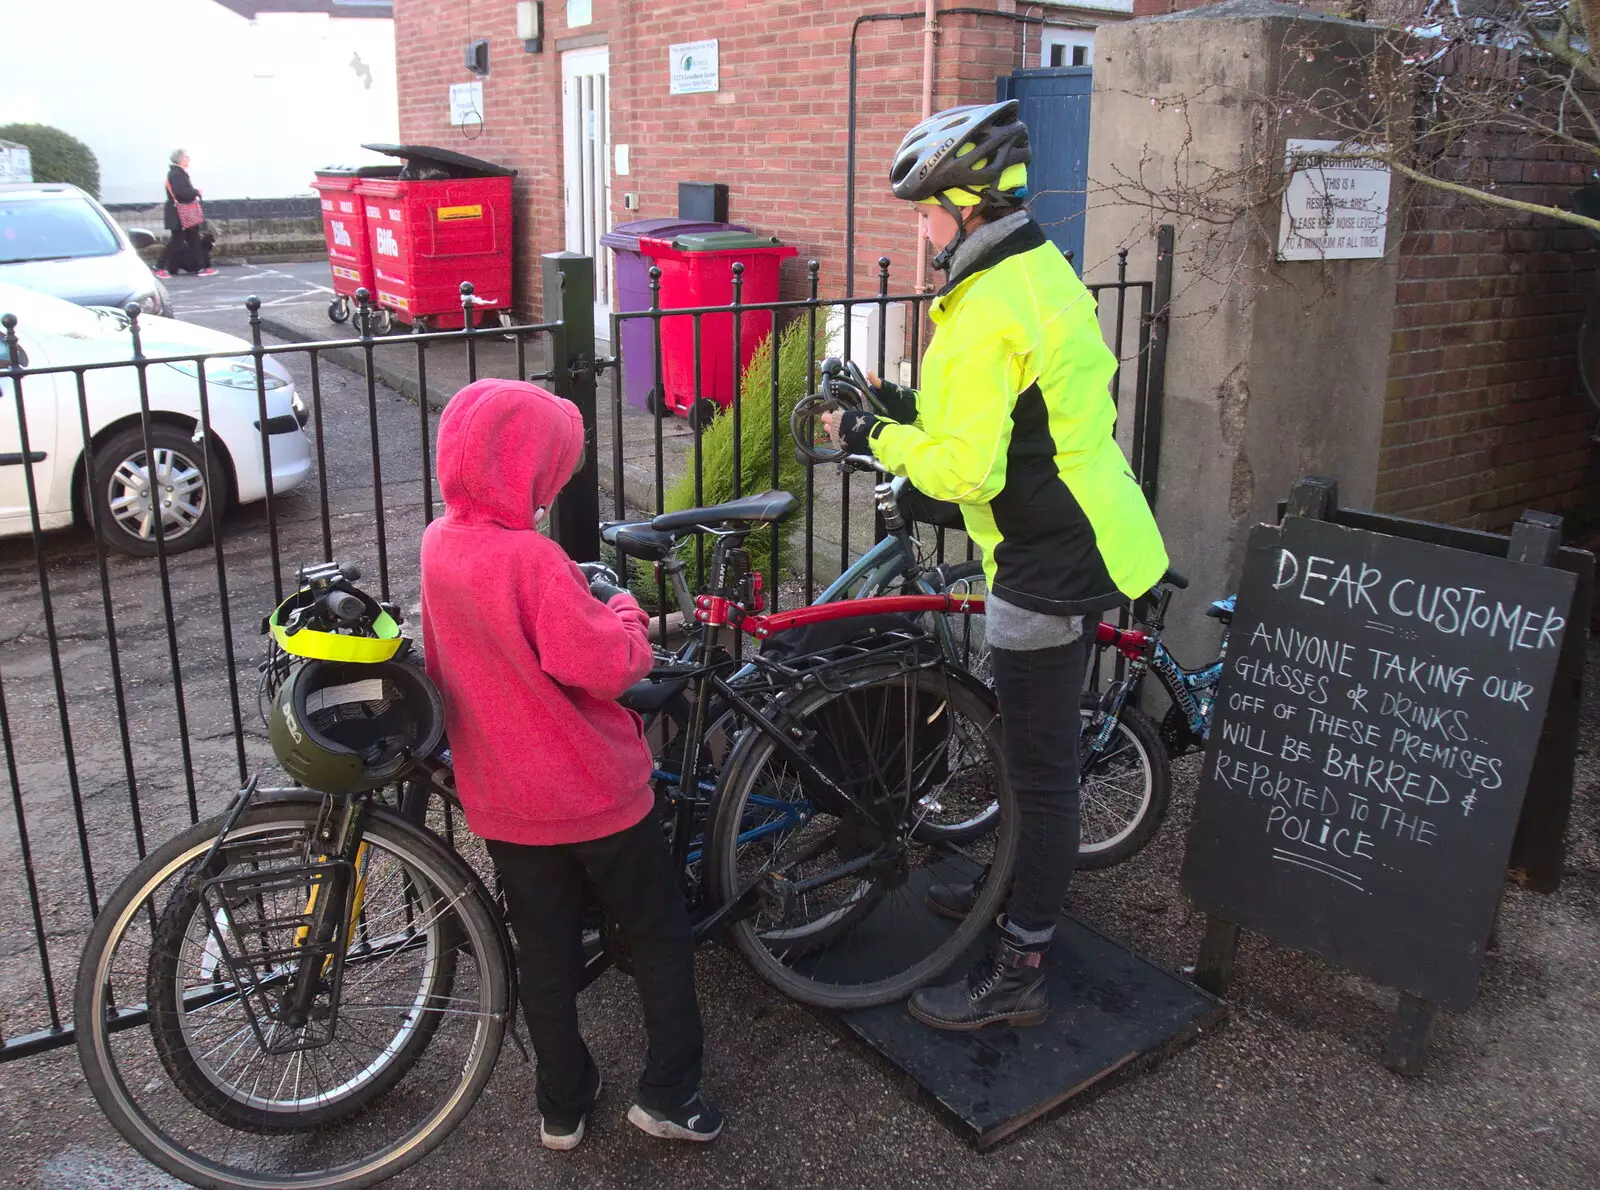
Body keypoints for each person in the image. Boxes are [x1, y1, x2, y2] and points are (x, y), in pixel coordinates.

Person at [823, 100, 1169, 1031]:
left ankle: (1020, 965)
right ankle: (1009, 894)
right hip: (1079, 530)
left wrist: (867, 431)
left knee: (1043, 774)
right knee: (1027, 755)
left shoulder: (983, 307)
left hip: (1048, 562)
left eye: (927, 208)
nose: (920, 225)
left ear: (969, 204)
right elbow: (1005, 417)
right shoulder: (1031, 269)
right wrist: (901, 402)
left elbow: (962, 464)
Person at [420, 378, 721, 1149]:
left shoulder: (439, 545)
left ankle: (562, 1102)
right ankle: (671, 1095)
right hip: (595, 793)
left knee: (544, 955)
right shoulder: (533, 559)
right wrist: (622, 610)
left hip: (506, 799)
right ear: (526, 471)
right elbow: (610, 667)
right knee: (657, 932)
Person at [157, 149, 216, 279]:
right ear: (180, 159)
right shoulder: (176, 174)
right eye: (187, 157)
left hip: (182, 215)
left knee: (194, 239)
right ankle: (158, 267)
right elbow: (180, 193)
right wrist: (195, 192)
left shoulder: (177, 173)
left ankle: (201, 268)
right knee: (177, 241)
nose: (189, 159)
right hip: (179, 214)